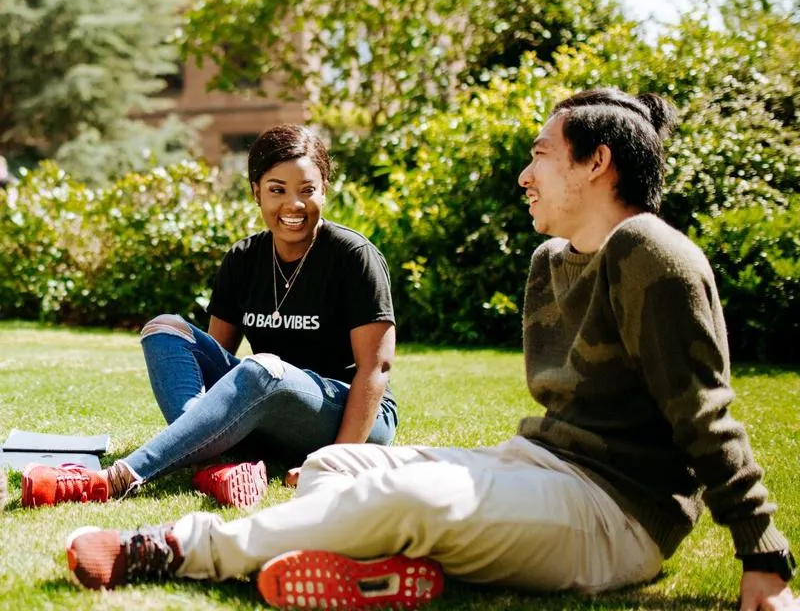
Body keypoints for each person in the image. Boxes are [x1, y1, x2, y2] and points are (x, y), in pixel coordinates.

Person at [64, 89, 797, 611]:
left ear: (596, 162)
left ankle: (172, 547)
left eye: (541, 155)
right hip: (541, 464)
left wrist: (764, 558)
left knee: (395, 491)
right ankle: (379, 573)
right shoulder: (554, 260)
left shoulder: (651, 252)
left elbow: (706, 414)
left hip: (619, 516)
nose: (525, 173)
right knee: (330, 464)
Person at [23, 124, 398, 508]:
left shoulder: (353, 257)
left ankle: (116, 479)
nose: (293, 205)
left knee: (261, 369)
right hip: (267, 412)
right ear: (256, 192)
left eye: (307, 190)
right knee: (164, 328)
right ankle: (215, 465)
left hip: (347, 413)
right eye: (277, 189)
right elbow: (213, 365)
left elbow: (376, 369)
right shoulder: (244, 258)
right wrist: (210, 420)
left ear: (324, 189)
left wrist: (335, 460)